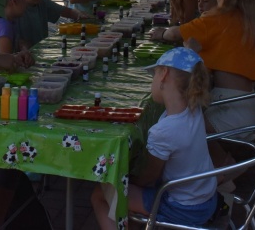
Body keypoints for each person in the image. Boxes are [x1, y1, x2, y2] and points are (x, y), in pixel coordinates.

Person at [90, 47, 217, 229]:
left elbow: (148, 179)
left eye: (154, 75)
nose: (153, 81)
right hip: (206, 197)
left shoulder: (164, 131)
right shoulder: (193, 108)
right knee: (123, 190)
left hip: (183, 208)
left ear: (164, 74)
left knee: (101, 193)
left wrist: (123, 179)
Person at [150, 0, 255, 134]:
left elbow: (176, 33)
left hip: (228, 109)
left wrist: (162, 34)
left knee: (174, 126)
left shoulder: (218, 18)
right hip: (248, 106)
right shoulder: (252, 19)